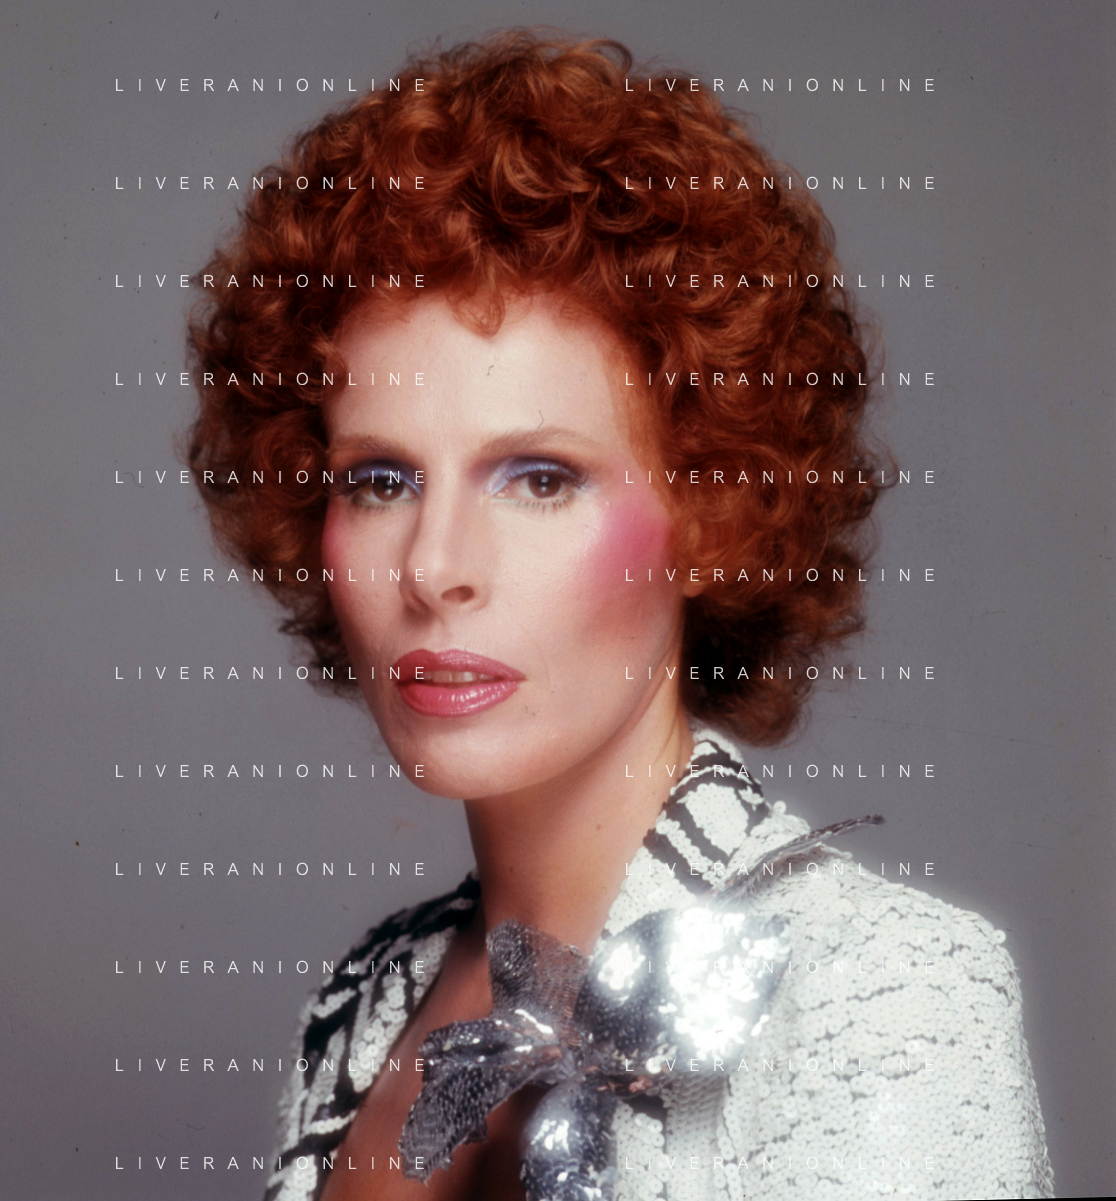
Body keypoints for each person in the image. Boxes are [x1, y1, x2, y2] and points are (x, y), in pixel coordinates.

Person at [187, 33, 1053, 1201]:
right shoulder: (363, 1002)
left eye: (539, 478)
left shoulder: (887, 993)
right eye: (380, 481)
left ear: (709, 512)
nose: (434, 567)